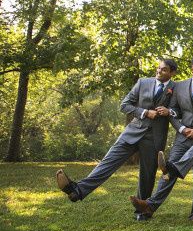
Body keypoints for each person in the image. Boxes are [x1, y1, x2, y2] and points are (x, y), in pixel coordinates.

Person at [55, 59, 177, 221]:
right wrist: (145, 112)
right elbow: (125, 105)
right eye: (158, 68)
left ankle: (142, 211)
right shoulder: (142, 83)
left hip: (154, 138)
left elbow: (180, 110)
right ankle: (77, 191)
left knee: (147, 176)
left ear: (172, 72)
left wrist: (169, 111)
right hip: (132, 132)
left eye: (164, 69)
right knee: (108, 162)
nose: (159, 71)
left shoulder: (176, 88)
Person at [128, 54, 193, 221]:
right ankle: (150, 206)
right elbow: (172, 111)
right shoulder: (179, 86)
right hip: (182, 137)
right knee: (169, 170)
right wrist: (181, 128)